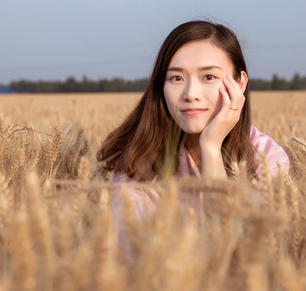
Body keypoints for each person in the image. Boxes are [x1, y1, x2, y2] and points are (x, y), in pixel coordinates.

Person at [97, 20, 289, 220]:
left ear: (239, 84)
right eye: (176, 78)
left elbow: (239, 243)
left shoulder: (267, 157)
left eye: (208, 77)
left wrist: (211, 147)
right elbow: (130, 245)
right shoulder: (137, 160)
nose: (190, 94)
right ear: (161, 87)